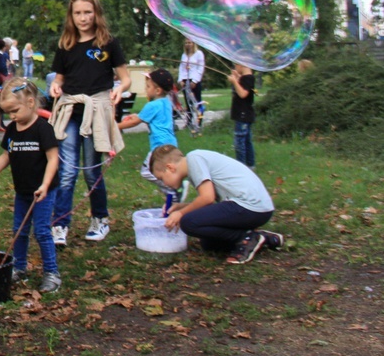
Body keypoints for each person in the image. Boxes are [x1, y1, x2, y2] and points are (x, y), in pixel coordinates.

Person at [48, 0, 130, 245]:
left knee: (92, 171)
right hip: (71, 111)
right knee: (67, 170)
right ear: (71, 16)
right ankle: (60, 223)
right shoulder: (66, 45)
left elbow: (125, 77)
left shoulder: (108, 43)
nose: (83, 18)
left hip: (96, 111)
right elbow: (59, 78)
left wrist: (120, 89)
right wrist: (55, 87)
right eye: (77, 13)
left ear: (96, 13)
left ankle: (100, 219)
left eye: (87, 12)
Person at [0, 78, 61, 293]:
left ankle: (52, 273)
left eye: (14, 110)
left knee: (43, 231)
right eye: (8, 112)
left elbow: (53, 159)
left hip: (43, 191)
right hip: (23, 191)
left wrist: (45, 185)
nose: (12, 116)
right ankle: (19, 267)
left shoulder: (43, 129)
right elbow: (7, 155)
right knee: (19, 231)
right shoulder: (12, 131)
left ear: (30, 102)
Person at [150, 145, 284, 265]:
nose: (164, 184)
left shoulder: (194, 159)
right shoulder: (193, 165)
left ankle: (246, 237)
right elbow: (211, 202)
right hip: (258, 209)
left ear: (170, 167)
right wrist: (182, 206)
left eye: (161, 178)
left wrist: (181, 213)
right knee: (209, 242)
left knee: (188, 222)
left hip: (249, 206)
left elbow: (207, 198)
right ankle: (262, 238)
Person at [118, 68, 178, 200]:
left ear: (157, 91)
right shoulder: (166, 102)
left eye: (148, 86)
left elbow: (135, 123)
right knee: (164, 172)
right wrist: (136, 115)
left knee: (147, 171)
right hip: (171, 144)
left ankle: (173, 189)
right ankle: (173, 196)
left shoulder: (152, 105)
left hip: (159, 146)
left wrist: (116, 126)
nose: (146, 89)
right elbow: (145, 117)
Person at [228, 64, 256, 169]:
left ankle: (242, 167)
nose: (235, 67)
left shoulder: (248, 78)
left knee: (240, 142)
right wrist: (237, 78)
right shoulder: (247, 78)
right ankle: (250, 164)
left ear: (242, 65)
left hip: (242, 115)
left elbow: (243, 94)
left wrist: (234, 81)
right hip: (245, 114)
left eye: (236, 65)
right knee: (247, 141)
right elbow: (244, 87)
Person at [178, 39, 205, 126]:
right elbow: (181, 68)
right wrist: (181, 80)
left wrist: (195, 81)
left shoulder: (199, 54)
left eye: (189, 43)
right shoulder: (184, 55)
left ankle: (199, 121)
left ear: (193, 44)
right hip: (186, 80)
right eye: (186, 43)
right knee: (188, 102)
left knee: (197, 101)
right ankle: (189, 122)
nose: (188, 44)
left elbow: (200, 69)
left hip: (194, 80)